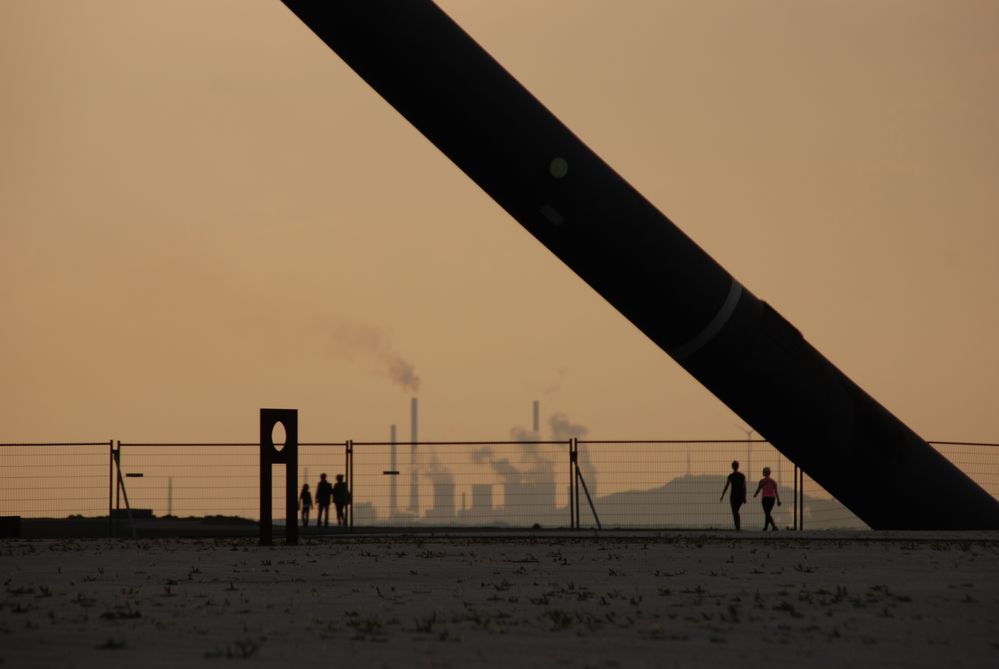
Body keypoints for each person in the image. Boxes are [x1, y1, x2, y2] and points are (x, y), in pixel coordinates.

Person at [719, 460, 747, 530]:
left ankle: (737, 526)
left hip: (733, 496)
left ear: (732, 467)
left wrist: (722, 495)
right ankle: (737, 526)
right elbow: (744, 487)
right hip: (740, 496)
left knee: (734, 511)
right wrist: (744, 497)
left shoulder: (731, 476)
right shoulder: (742, 476)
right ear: (738, 466)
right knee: (736, 511)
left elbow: (727, 486)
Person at [753, 466, 782, 531]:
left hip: (765, 498)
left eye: (763, 471)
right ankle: (770, 527)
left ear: (765, 473)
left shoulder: (762, 481)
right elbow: (776, 492)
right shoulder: (773, 481)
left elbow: (759, 489)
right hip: (772, 498)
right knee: (768, 512)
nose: (762, 472)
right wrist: (778, 500)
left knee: (767, 513)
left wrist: (755, 495)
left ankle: (771, 527)